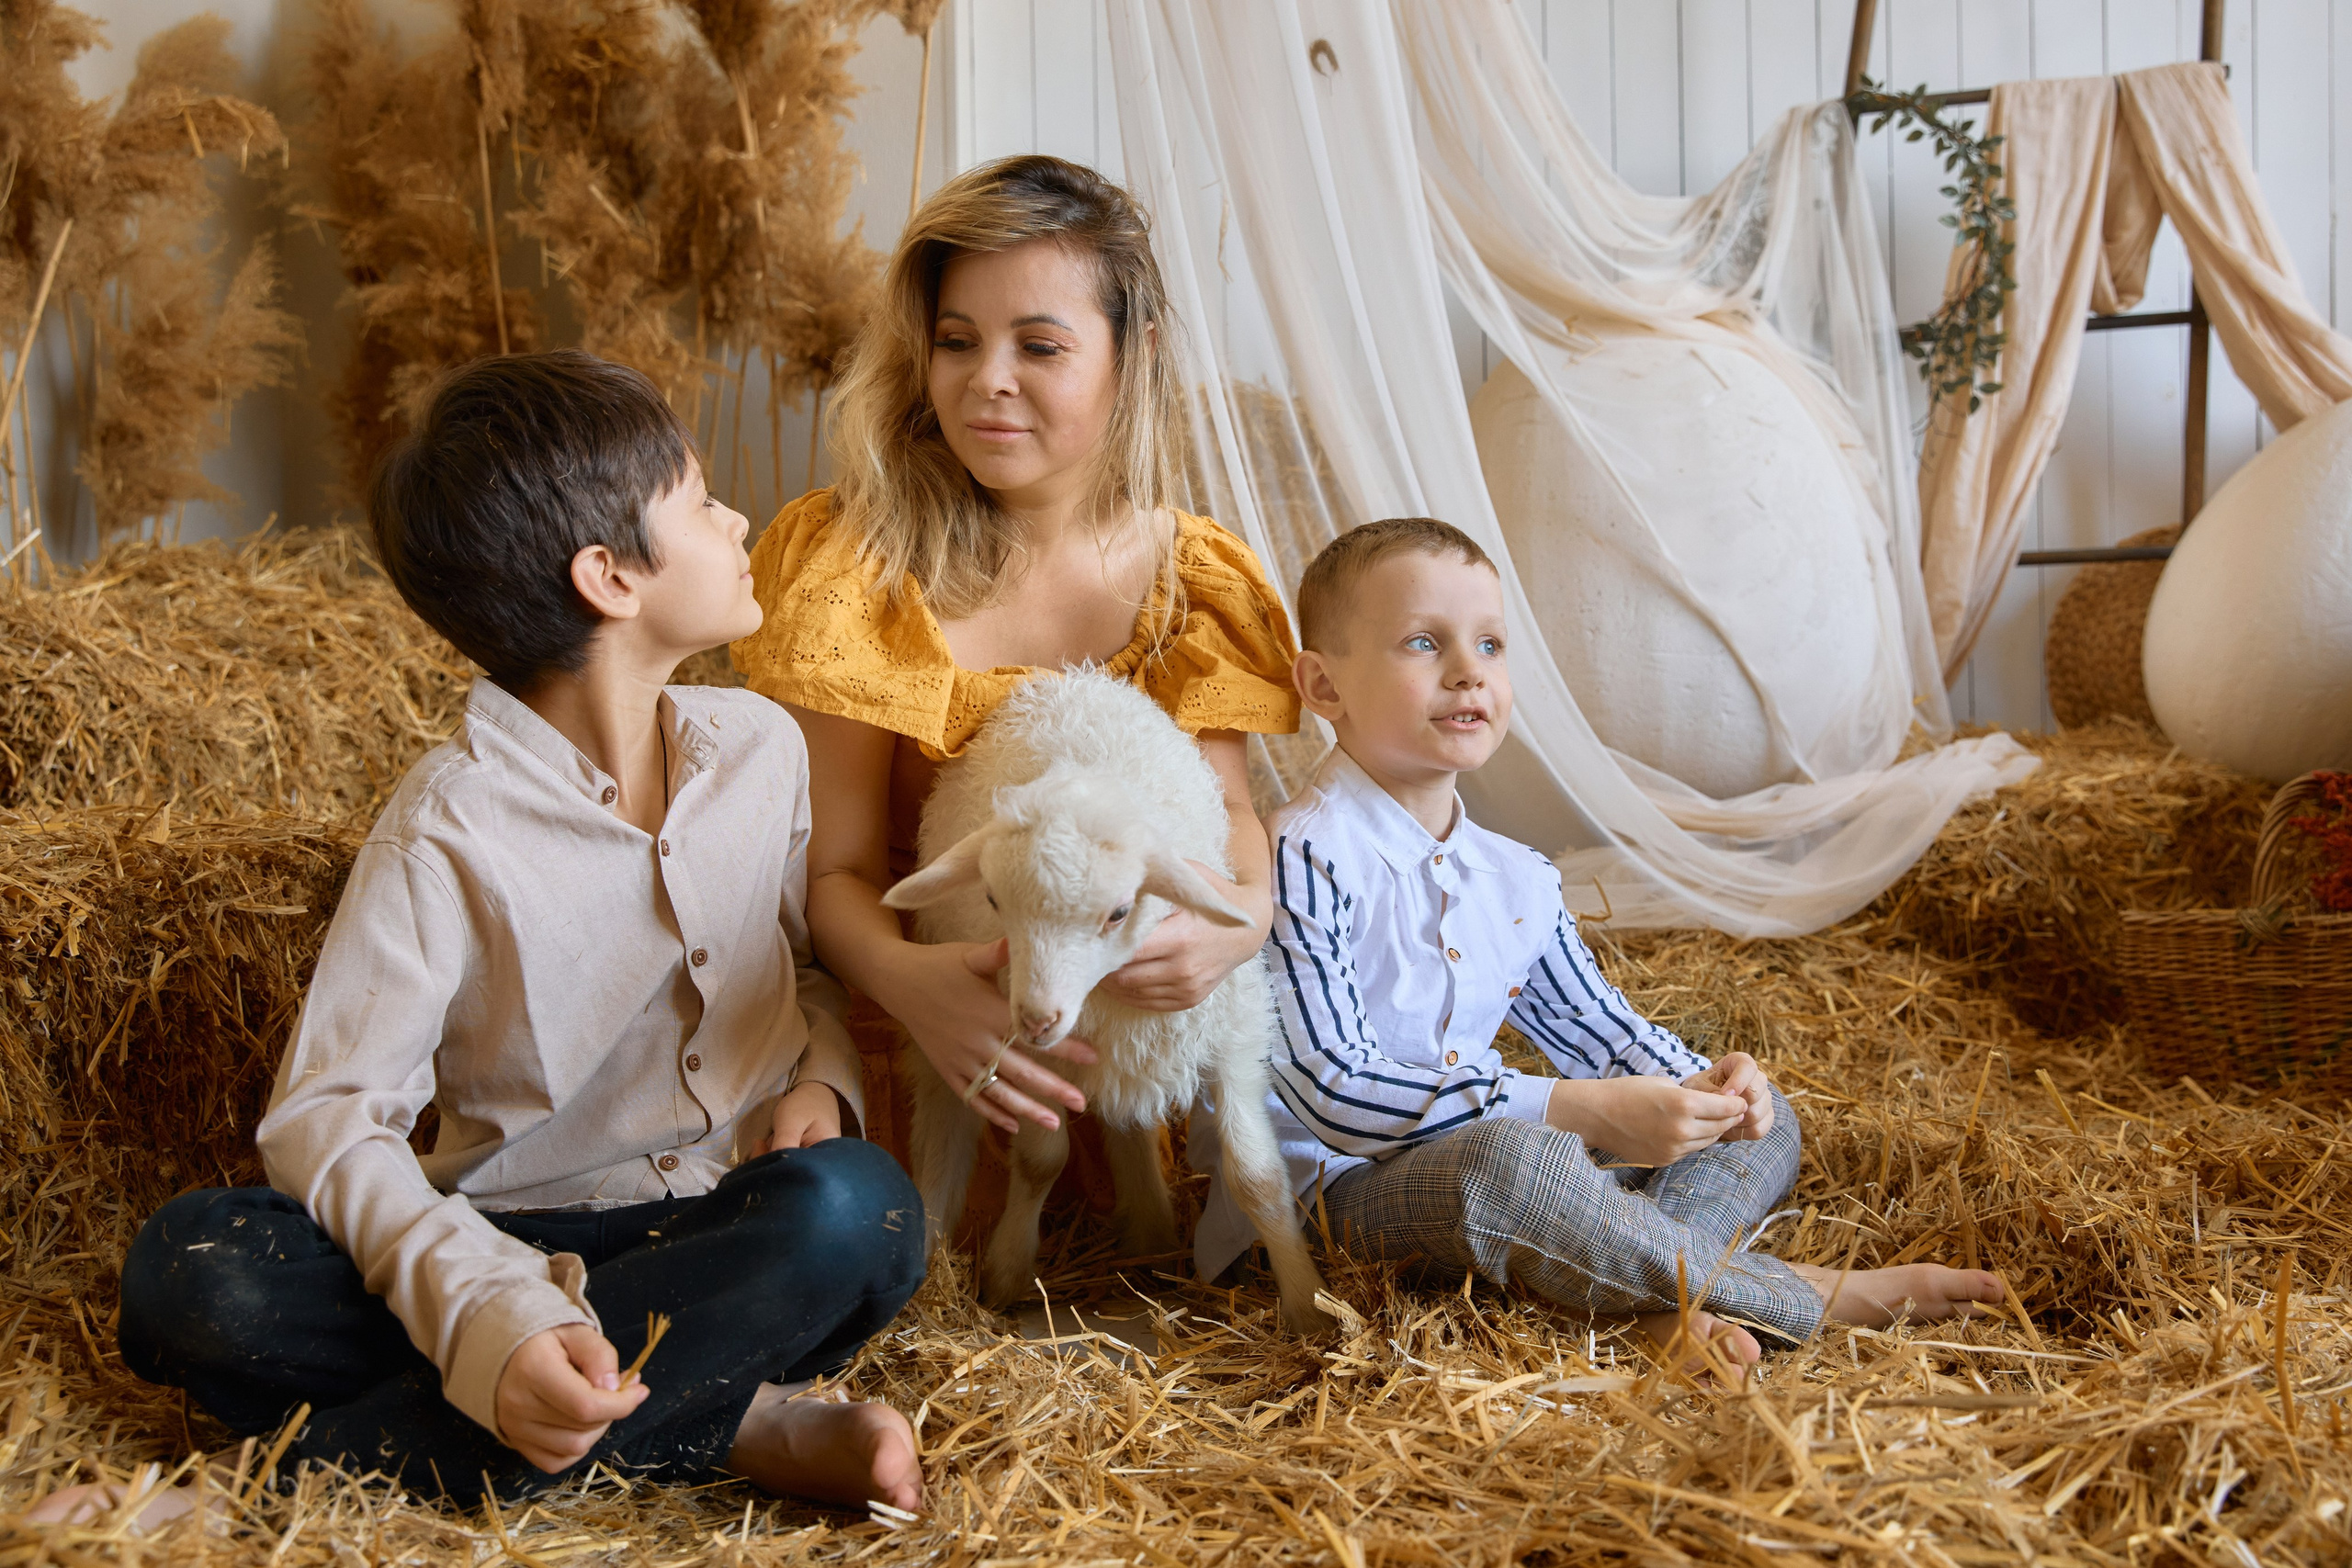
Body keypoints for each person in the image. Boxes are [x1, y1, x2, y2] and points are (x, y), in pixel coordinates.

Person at [33, 351, 925, 1529]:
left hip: (723, 1223)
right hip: (508, 1230)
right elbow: (328, 1116)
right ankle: (728, 1414)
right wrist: (487, 1316)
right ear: (609, 577)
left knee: (859, 1210)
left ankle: (248, 1501)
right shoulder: (443, 832)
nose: (736, 516)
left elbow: (798, 968)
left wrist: (823, 1071)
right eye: (701, 498)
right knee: (190, 1276)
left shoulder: (762, 749)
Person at [1197, 517, 2007, 1374]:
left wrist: (1705, 1083)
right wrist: (1575, 1108)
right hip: (1325, 1205)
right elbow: (1336, 1094)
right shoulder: (1296, 854)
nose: (1469, 670)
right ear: (1324, 686)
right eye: (1423, 642)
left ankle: (1654, 1301)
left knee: (1761, 1128)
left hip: (1490, 1176)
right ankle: (1799, 1292)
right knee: (1515, 1161)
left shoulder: (1516, 876)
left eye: (1490, 644)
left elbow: (1607, 1035)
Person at [733, 156, 1299, 1215]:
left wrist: (1243, 919)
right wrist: (918, 992)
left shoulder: (1195, 579)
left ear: (1134, 359)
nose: (986, 378)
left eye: (1039, 345)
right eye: (956, 340)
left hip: (1112, 1039)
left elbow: (1227, 811)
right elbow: (838, 871)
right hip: (920, 1028)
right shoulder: (856, 566)